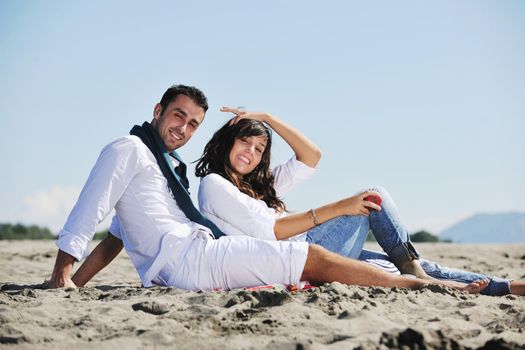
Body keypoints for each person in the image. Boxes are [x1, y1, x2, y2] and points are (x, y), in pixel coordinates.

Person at [48, 84, 487, 293]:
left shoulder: (166, 169)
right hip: (191, 259)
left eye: (193, 123)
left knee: (376, 263)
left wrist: (79, 283)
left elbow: (118, 236)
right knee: (315, 256)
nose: (184, 128)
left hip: (197, 252)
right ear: (158, 110)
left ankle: (492, 286)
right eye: (178, 116)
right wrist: (61, 277)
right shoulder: (129, 149)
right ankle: (425, 286)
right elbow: (89, 211)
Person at [195, 107, 524, 296]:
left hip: (309, 248)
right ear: (227, 142)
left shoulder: (261, 184)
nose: (249, 153)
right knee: (373, 196)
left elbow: (311, 156)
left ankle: (504, 287)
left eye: (258, 149)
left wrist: (267, 116)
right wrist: (341, 208)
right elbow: (274, 230)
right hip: (300, 255)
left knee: (397, 265)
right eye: (244, 143)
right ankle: (416, 270)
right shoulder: (214, 184)